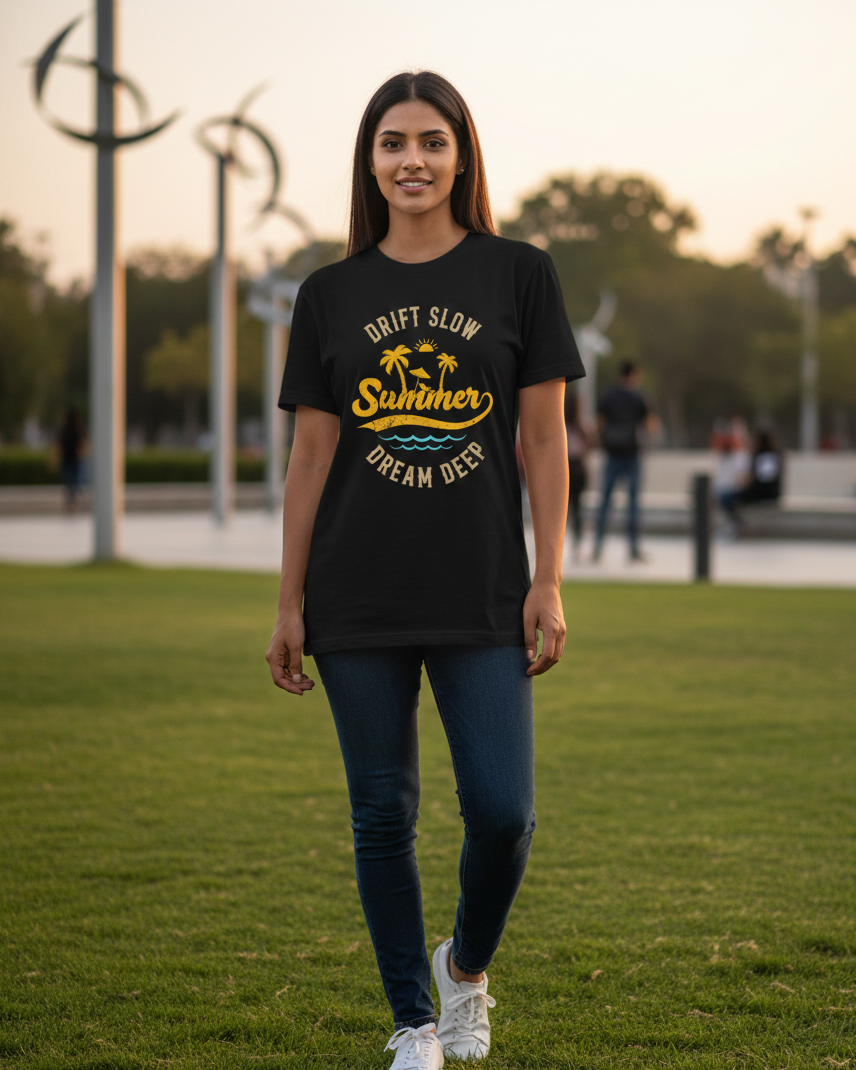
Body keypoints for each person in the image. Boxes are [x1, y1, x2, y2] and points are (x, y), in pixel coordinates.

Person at [265, 71, 583, 1070]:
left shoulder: (518, 274)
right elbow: (311, 455)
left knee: (502, 811)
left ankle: (466, 968)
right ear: (369, 159)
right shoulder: (330, 294)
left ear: (462, 155)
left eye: (431, 141)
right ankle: (411, 1018)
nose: (412, 159)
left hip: (483, 586)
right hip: (355, 588)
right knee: (382, 809)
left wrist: (549, 578)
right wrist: (287, 601)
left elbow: (544, 442)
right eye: (393, 141)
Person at [592, 361, 657, 562]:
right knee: (633, 504)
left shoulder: (608, 395)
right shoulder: (638, 396)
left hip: (612, 453)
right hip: (632, 453)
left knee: (605, 502)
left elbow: (599, 423)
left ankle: (598, 547)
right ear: (634, 375)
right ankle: (633, 548)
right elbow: (651, 424)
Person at [565, 390, 592, 560]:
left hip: (566, 468)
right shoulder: (581, 427)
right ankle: (576, 543)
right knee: (577, 509)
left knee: (561, 510)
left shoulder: (561, 427)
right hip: (578, 470)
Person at [56, 407, 86, 513]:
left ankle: (70, 503)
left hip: (67, 460)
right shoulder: (77, 430)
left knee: (69, 483)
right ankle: (72, 503)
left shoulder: (64, 430)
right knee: (74, 482)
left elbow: (59, 446)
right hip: (74, 460)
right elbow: (82, 446)